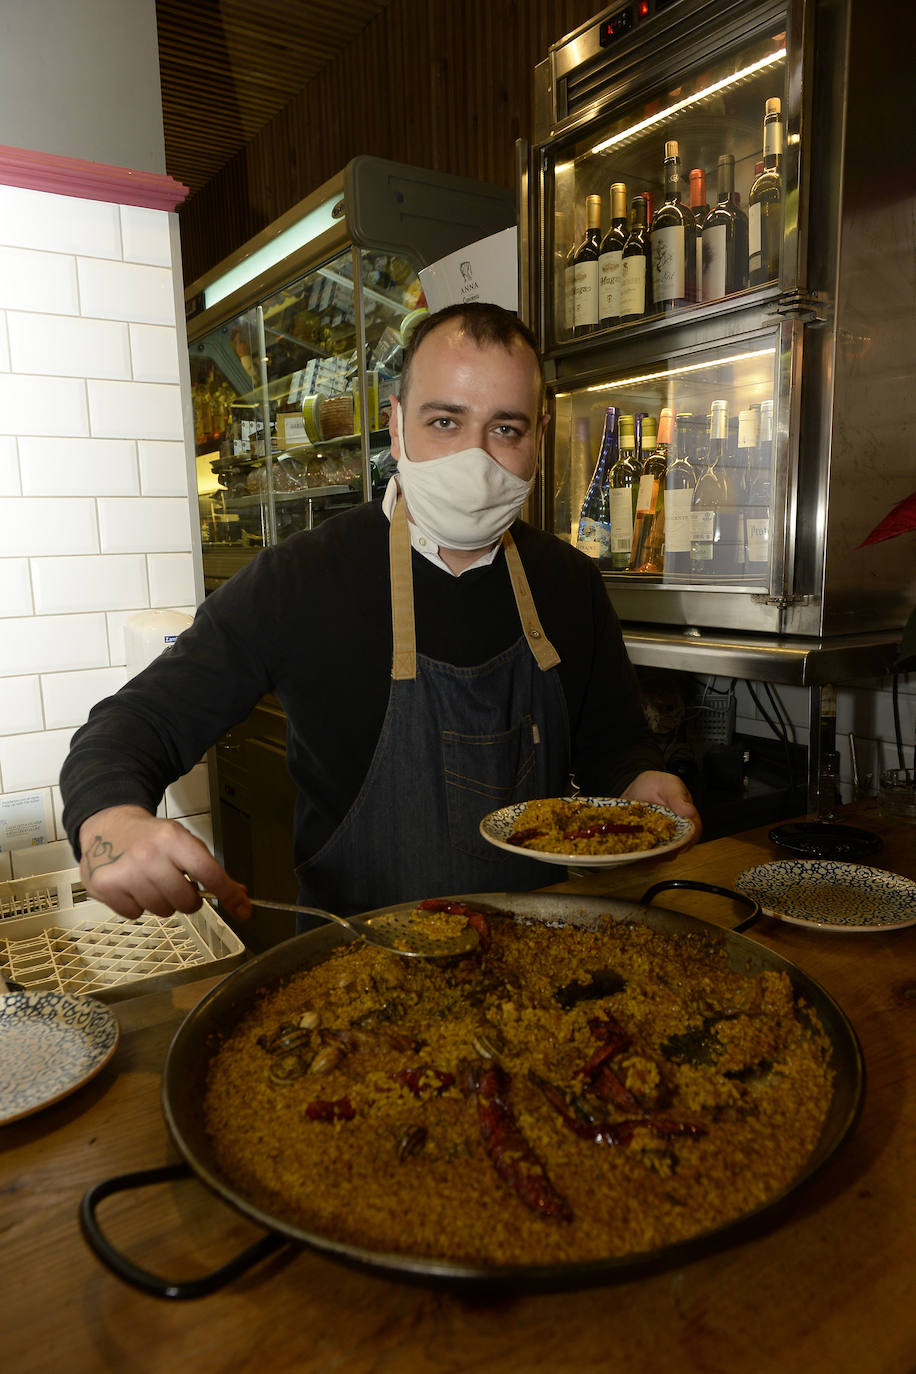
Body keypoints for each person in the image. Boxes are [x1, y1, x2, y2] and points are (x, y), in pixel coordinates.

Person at [60, 302, 699, 926]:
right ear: (394, 427)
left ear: (538, 435)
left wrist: (641, 779)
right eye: (445, 422)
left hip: (537, 954)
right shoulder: (299, 580)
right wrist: (111, 818)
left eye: (505, 428)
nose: (474, 461)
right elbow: (136, 722)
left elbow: (615, 744)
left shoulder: (569, 582)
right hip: (357, 976)